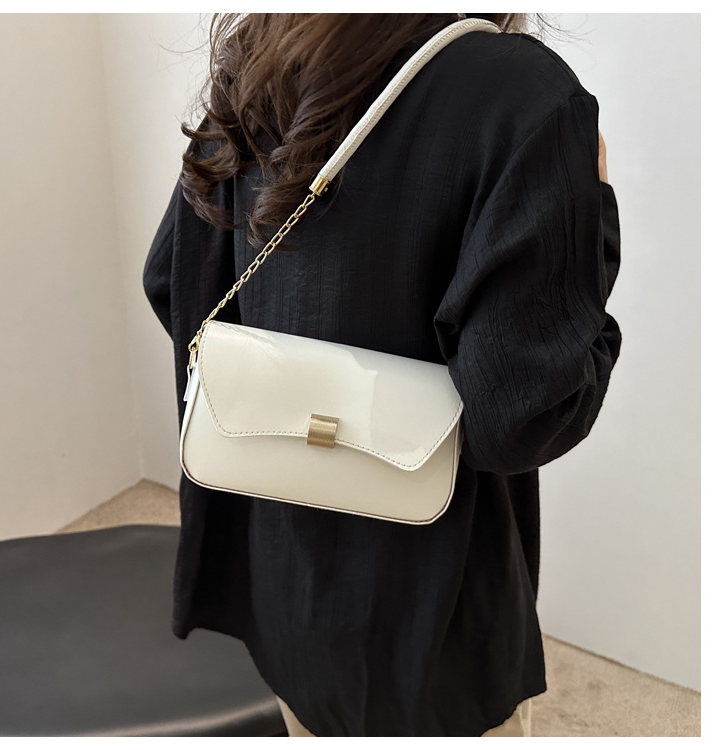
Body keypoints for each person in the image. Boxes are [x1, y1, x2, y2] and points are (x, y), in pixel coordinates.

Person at [142, 13, 622, 737]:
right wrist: (595, 227)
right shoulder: (523, 96)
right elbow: (521, 419)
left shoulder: (268, 46)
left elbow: (171, 281)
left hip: (281, 570)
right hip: (435, 612)